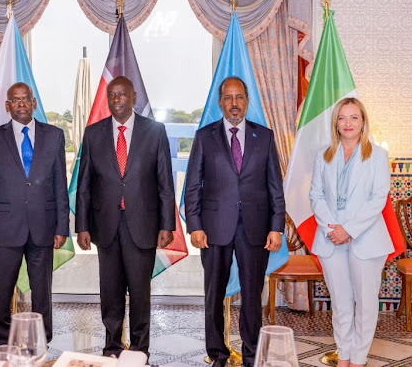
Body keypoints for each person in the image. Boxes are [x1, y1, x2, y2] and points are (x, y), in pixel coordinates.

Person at [184, 76, 284, 367]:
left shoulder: (263, 136)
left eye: (239, 97)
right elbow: (193, 186)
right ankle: (218, 353)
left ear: (247, 100)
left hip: (255, 229)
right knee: (213, 295)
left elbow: (274, 186)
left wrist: (276, 226)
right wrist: (195, 225)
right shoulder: (205, 137)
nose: (234, 104)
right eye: (228, 98)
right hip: (214, 229)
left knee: (253, 297)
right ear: (220, 103)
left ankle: (252, 355)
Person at [75, 75, 176, 358]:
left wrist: (167, 224)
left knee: (140, 294)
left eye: (122, 94)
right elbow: (84, 185)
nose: (117, 100)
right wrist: (82, 225)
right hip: (105, 226)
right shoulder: (93, 133)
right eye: (112, 95)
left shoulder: (155, 131)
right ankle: (112, 348)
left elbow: (165, 183)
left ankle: (140, 351)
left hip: (142, 225)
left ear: (134, 97)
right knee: (110, 293)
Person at [0, 82, 70, 348]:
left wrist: (62, 226)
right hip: (5, 229)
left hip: (43, 226)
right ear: (8, 106)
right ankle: (0, 344)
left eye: (26, 99)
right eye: (15, 100)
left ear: (34, 103)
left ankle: (40, 343)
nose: (21, 104)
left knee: (42, 293)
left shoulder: (54, 136)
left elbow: (59, 185)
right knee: (1, 292)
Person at [309, 97, 391, 367]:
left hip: (366, 239)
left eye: (354, 117)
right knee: (341, 305)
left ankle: (358, 360)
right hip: (331, 238)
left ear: (363, 122)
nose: (348, 123)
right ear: (336, 123)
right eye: (342, 118)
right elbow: (316, 195)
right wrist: (333, 229)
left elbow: (378, 199)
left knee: (366, 306)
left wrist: (350, 230)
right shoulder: (323, 154)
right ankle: (343, 357)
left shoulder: (377, 155)